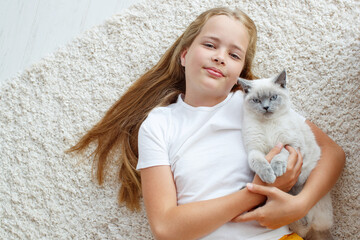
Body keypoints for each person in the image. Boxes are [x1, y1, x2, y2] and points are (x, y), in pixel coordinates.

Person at [68, 7, 345, 240]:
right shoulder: (159, 124)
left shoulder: (253, 105)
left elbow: (332, 153)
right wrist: (258, 191)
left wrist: (299, 205)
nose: (220, 56)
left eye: (234, 55)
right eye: (210, 45)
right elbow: (165, 227)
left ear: (240, 72)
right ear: (185, 55)